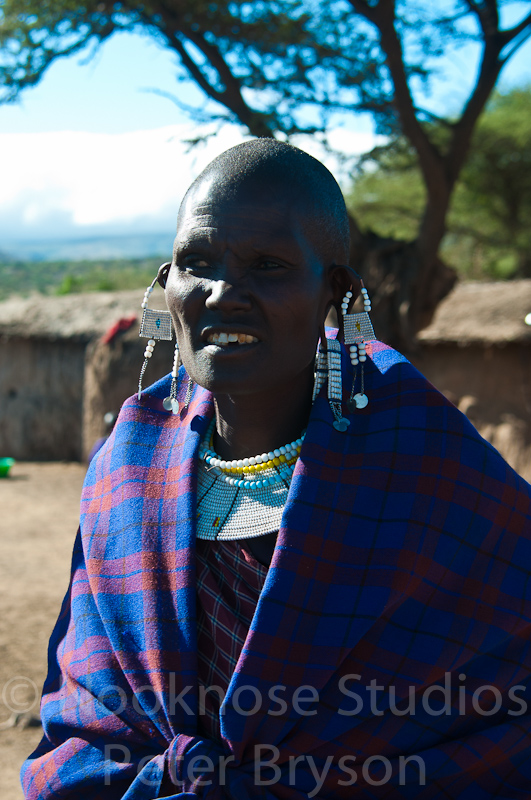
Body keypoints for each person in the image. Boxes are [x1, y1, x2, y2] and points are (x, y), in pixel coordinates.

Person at [22, 139, 531, 799]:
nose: (223, 293)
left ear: (336, 289)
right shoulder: (129, 464)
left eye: (267, 265)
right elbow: (88, 704)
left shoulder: (423, 461)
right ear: (165, 284)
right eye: (194, 262)